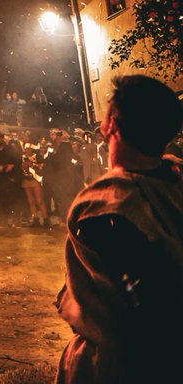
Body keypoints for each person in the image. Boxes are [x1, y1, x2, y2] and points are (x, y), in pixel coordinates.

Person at [55, 75, 183, 384]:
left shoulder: (108, 207)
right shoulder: (173, 178)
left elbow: (141, 300)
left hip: (126, 363)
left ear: (111, 122)